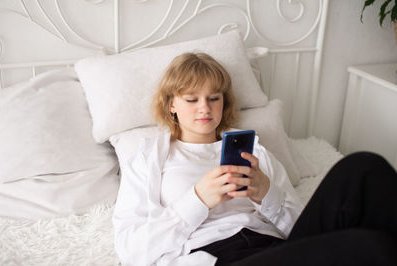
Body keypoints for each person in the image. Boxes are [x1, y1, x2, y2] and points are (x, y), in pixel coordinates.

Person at [112, 52, 397, 266]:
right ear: (171, 103)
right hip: (215, 258)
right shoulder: (148, 160)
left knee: (365, 166)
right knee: (371, 246)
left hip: (278, 249)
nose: (205, 108)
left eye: (214, 98)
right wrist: (197, 200)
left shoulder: (254, 151)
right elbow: (131, 251)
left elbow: (299, 228)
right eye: (191, 99)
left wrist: (267, 194)